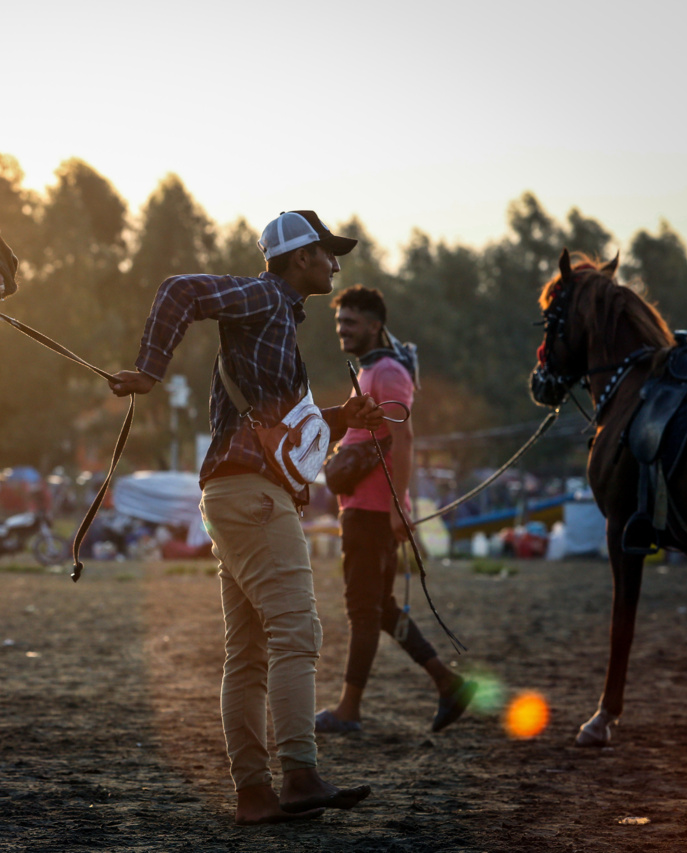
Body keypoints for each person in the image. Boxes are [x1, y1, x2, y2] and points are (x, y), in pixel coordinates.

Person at [109, 211, 379, 825]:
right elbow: (181, 289)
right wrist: (151, 371)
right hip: (253, 496)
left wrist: (342, 417)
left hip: (237, 494)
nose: (335, 265)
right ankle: (301, 775)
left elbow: (286, 427)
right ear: (300, 257)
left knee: (251, 651)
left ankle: (256, 793)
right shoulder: (263, 294)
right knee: (296, 632)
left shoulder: (276, 317)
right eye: (327, 254)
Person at [315, 285, 476, 734]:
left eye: (351, 321)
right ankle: (448, 683)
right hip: (365, 507)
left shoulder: (386, 373)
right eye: (339, 322)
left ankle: (348, 710)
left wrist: (396, 507)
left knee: (362, 612)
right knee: (381, 609)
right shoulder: (371, 371)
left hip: (372, 510)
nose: (342, 329)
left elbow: (403, 440)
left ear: (375, 326)